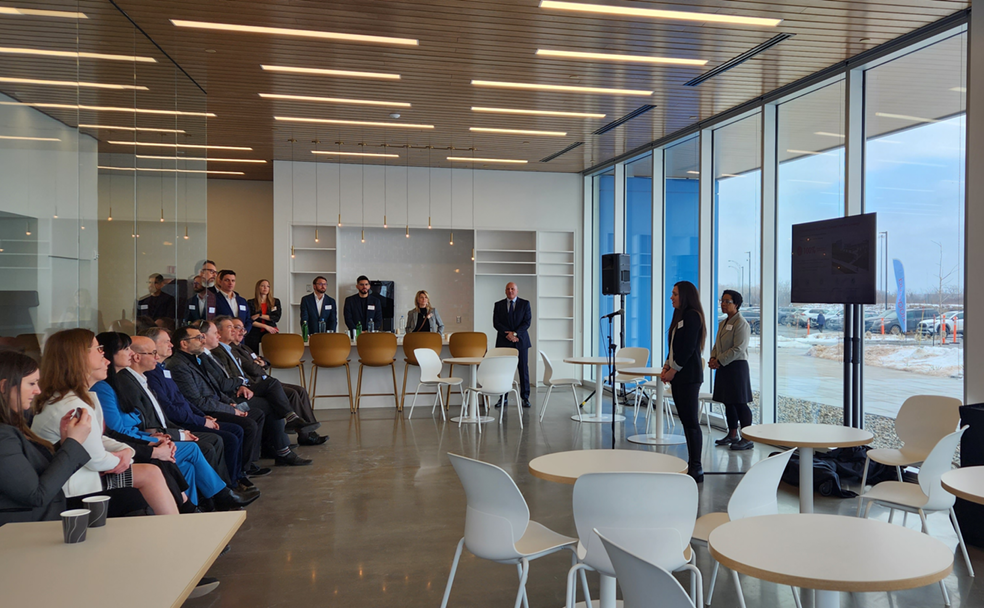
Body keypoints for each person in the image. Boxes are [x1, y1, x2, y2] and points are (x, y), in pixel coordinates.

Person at [94, 332, 258, 509]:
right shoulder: (109, 386)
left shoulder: (127, 380)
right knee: (196, 448)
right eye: (125, 349)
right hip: (136, 446)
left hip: (149, 437)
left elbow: (160, 409)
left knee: (190, 461)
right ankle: (219, 498)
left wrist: (169, 434)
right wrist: (159, 439)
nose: (130, 353)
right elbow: (121, 430)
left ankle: (198, 507)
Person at [30, 328, 178, 516]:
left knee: (152, 472)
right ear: (79, 357)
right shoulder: (71, 404)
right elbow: (97, 460)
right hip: (73, 489)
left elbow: (97, 440)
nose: (104, 356)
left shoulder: (77, 398)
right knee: (148, 478)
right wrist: (125, 456)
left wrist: (127, 451)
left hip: (83, 476)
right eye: (98, 349)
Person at [167, 325, 311, 467]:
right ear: (184, 343)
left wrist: (231, 399)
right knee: (269, 401)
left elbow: (216, 387)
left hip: (230, 396)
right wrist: (233, 402)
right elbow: (207, 395)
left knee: (276, 391)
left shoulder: (199, 358)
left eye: (202, 337)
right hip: (219, 404)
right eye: (199, 337)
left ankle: (278, 446)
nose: (202, 341)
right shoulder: (184, 364)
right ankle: (276, 450)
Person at [141, 327, 267, 482]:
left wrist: (227, 406)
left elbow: (196, 394)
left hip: (201, 411)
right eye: (166, 341)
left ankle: (240, 473)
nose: (171, 345)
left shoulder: (179, 364)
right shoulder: (174, 367)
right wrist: (203, 419)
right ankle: (231, 482)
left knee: (255, 414)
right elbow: (180, 405)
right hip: (186, 419)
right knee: (234, 433)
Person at [0, 351, 92, 526]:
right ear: (4, 387)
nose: (37, 390)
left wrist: (65, 443)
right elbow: (36, 495)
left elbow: (32, 472)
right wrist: (73, 443)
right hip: (25, 533)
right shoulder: (3, 436)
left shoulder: (10, 428)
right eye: (31, 383)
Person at [214, 317, 326, 445]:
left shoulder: (244, 347)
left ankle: (309, 430)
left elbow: (264, 361)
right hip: (255, 382)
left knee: (300, 390)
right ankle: (300, 432)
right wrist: (257, 364)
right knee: (291, 394)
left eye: (241, 328)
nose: (239, 331)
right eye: (235, 327)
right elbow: (252, 369)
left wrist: (261, 362)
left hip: (265, 379)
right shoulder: (231, 349)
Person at [661, 281, 708, 483]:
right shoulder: (678, 315)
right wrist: (666, 365)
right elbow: (673, 345)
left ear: (685, 296)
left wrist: (673, 370)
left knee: (691, 423)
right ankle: (692, 464)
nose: (671, 297)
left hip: (688, 377)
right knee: (686, 421)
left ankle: (696, 467)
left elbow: (688, 348)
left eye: (675, 294)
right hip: (678, 375)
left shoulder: (692, 316)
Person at [709, 290, 754, 452]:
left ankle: (747, 437)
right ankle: (732, 434)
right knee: (728, 402)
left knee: (740, 402)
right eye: (722, 301)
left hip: (736, 367)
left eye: (727, 301)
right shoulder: (723, 323)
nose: (723, 304)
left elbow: (739, 348)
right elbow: (717, 345)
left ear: (736, 304)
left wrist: (719, 360)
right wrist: (713, 358)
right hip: (723, 366)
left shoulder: (741, 323)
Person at [492, 282, 532, 409]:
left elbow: (527, 322)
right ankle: (503, 397)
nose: (510, 291)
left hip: (521, 341)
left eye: (513, 289)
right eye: (508, 289)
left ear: (517, 291)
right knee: (503, 370)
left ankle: (525, 398)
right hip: (504, 342)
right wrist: (508, 335)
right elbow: (496, 323)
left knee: (523, 369)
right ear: (505, 291)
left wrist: (515, 334)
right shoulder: (498, 305)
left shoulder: (525, 304)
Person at [247, 279, 282, 353]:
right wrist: (265, 326)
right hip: (255, 331)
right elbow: (250, 319)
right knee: (253, 352)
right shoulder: (251, 302)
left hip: (271, 331)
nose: (265, 288)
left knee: (272, 351)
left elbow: (276, 318)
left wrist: (260, 315)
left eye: (268, 286)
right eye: (263, 286)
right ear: (258, 288)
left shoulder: (275, 302)